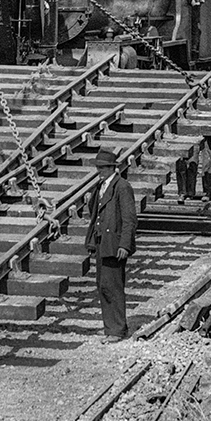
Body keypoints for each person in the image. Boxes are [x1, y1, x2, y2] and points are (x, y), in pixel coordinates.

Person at [85, 146, 136, 343]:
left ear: (112, 168)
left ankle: (116, 330)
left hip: (114, 245)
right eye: (99, 167)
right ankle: (111, 327)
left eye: (103, 168)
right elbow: (95, 216)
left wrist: (125, 245)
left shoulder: (122, 186)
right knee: (103, 286)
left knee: (113, 286)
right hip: (102, 243)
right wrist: (91, 243)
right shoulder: (101, 186)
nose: (99, 171)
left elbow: (129, 219)